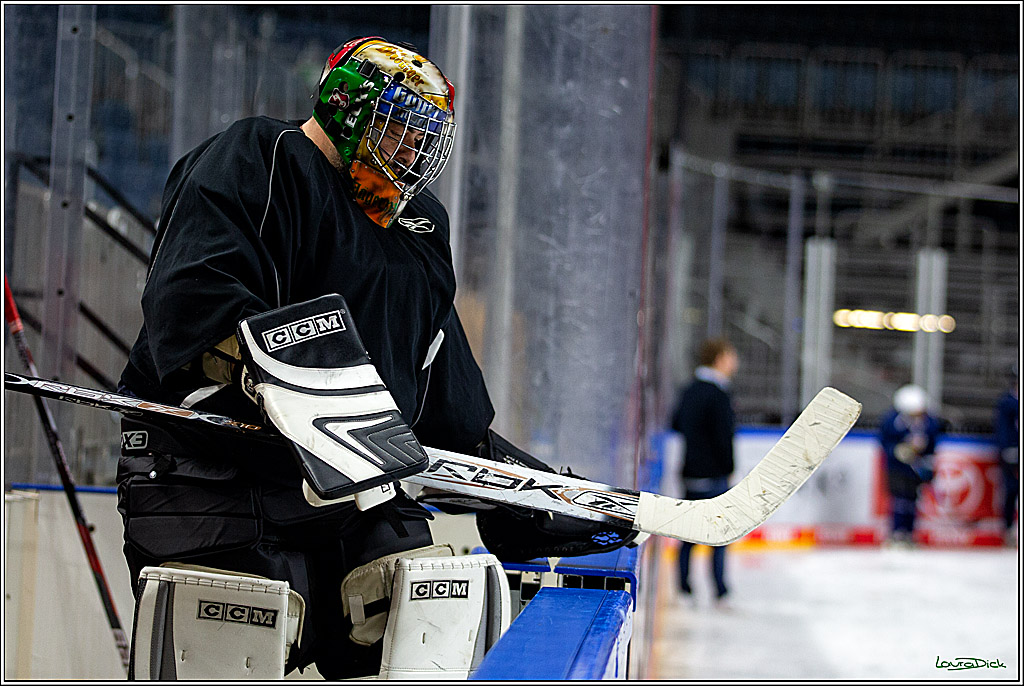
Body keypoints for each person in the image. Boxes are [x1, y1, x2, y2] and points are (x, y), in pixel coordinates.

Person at [115, 36, 632, 679]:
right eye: (399, 131)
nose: (413, 154)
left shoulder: (420, 229)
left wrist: (530, 493)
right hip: (212, 471)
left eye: (426, 140)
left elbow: (439, 400)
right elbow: (191, 302)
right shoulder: (260, 156)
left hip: (350, 483)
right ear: (350, 111)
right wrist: (279, 378)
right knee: (232, 630)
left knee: (427, 609)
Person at [670, 338, 738, 605]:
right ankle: (720, 590)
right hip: (713, 475)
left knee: (688, 533)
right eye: (731, 356)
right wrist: (728, 468)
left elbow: (676, 423)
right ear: (720, 358)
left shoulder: (689, 390)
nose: (735, 362)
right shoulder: (719, 394)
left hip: (690, 472)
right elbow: (724, 438)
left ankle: (684, 587)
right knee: (719, 534)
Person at [878, 384, 943, 547]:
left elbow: (932, 445)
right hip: (897, 467)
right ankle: (897, 532)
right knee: (899, 500)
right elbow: (885, 442)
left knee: (912, 500)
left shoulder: (929, 423)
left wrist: (927, 460)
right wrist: (897, 451)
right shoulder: (892, 421)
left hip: (917, 468)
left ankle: (910, 533)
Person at [994, 364, 1018, 545]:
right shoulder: (1007, 402)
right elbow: (1003, 428)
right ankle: (1008, 528)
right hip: (1013, 452)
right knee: (1011, 490)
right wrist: (1008, 448)